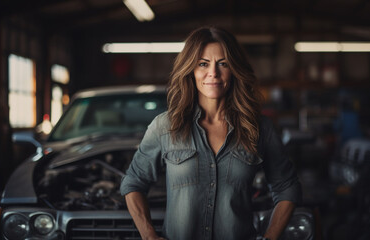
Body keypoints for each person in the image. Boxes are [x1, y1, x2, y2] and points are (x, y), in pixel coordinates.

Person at [120, 26, 301, 240]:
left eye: (223, 64)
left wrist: (270, 237)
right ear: (191, 70)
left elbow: (287, 187)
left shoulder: (259, 128)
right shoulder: (165, 126)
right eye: (203, 64)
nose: (213, 73)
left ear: (234, 70)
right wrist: (149, 235)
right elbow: (133, 182)